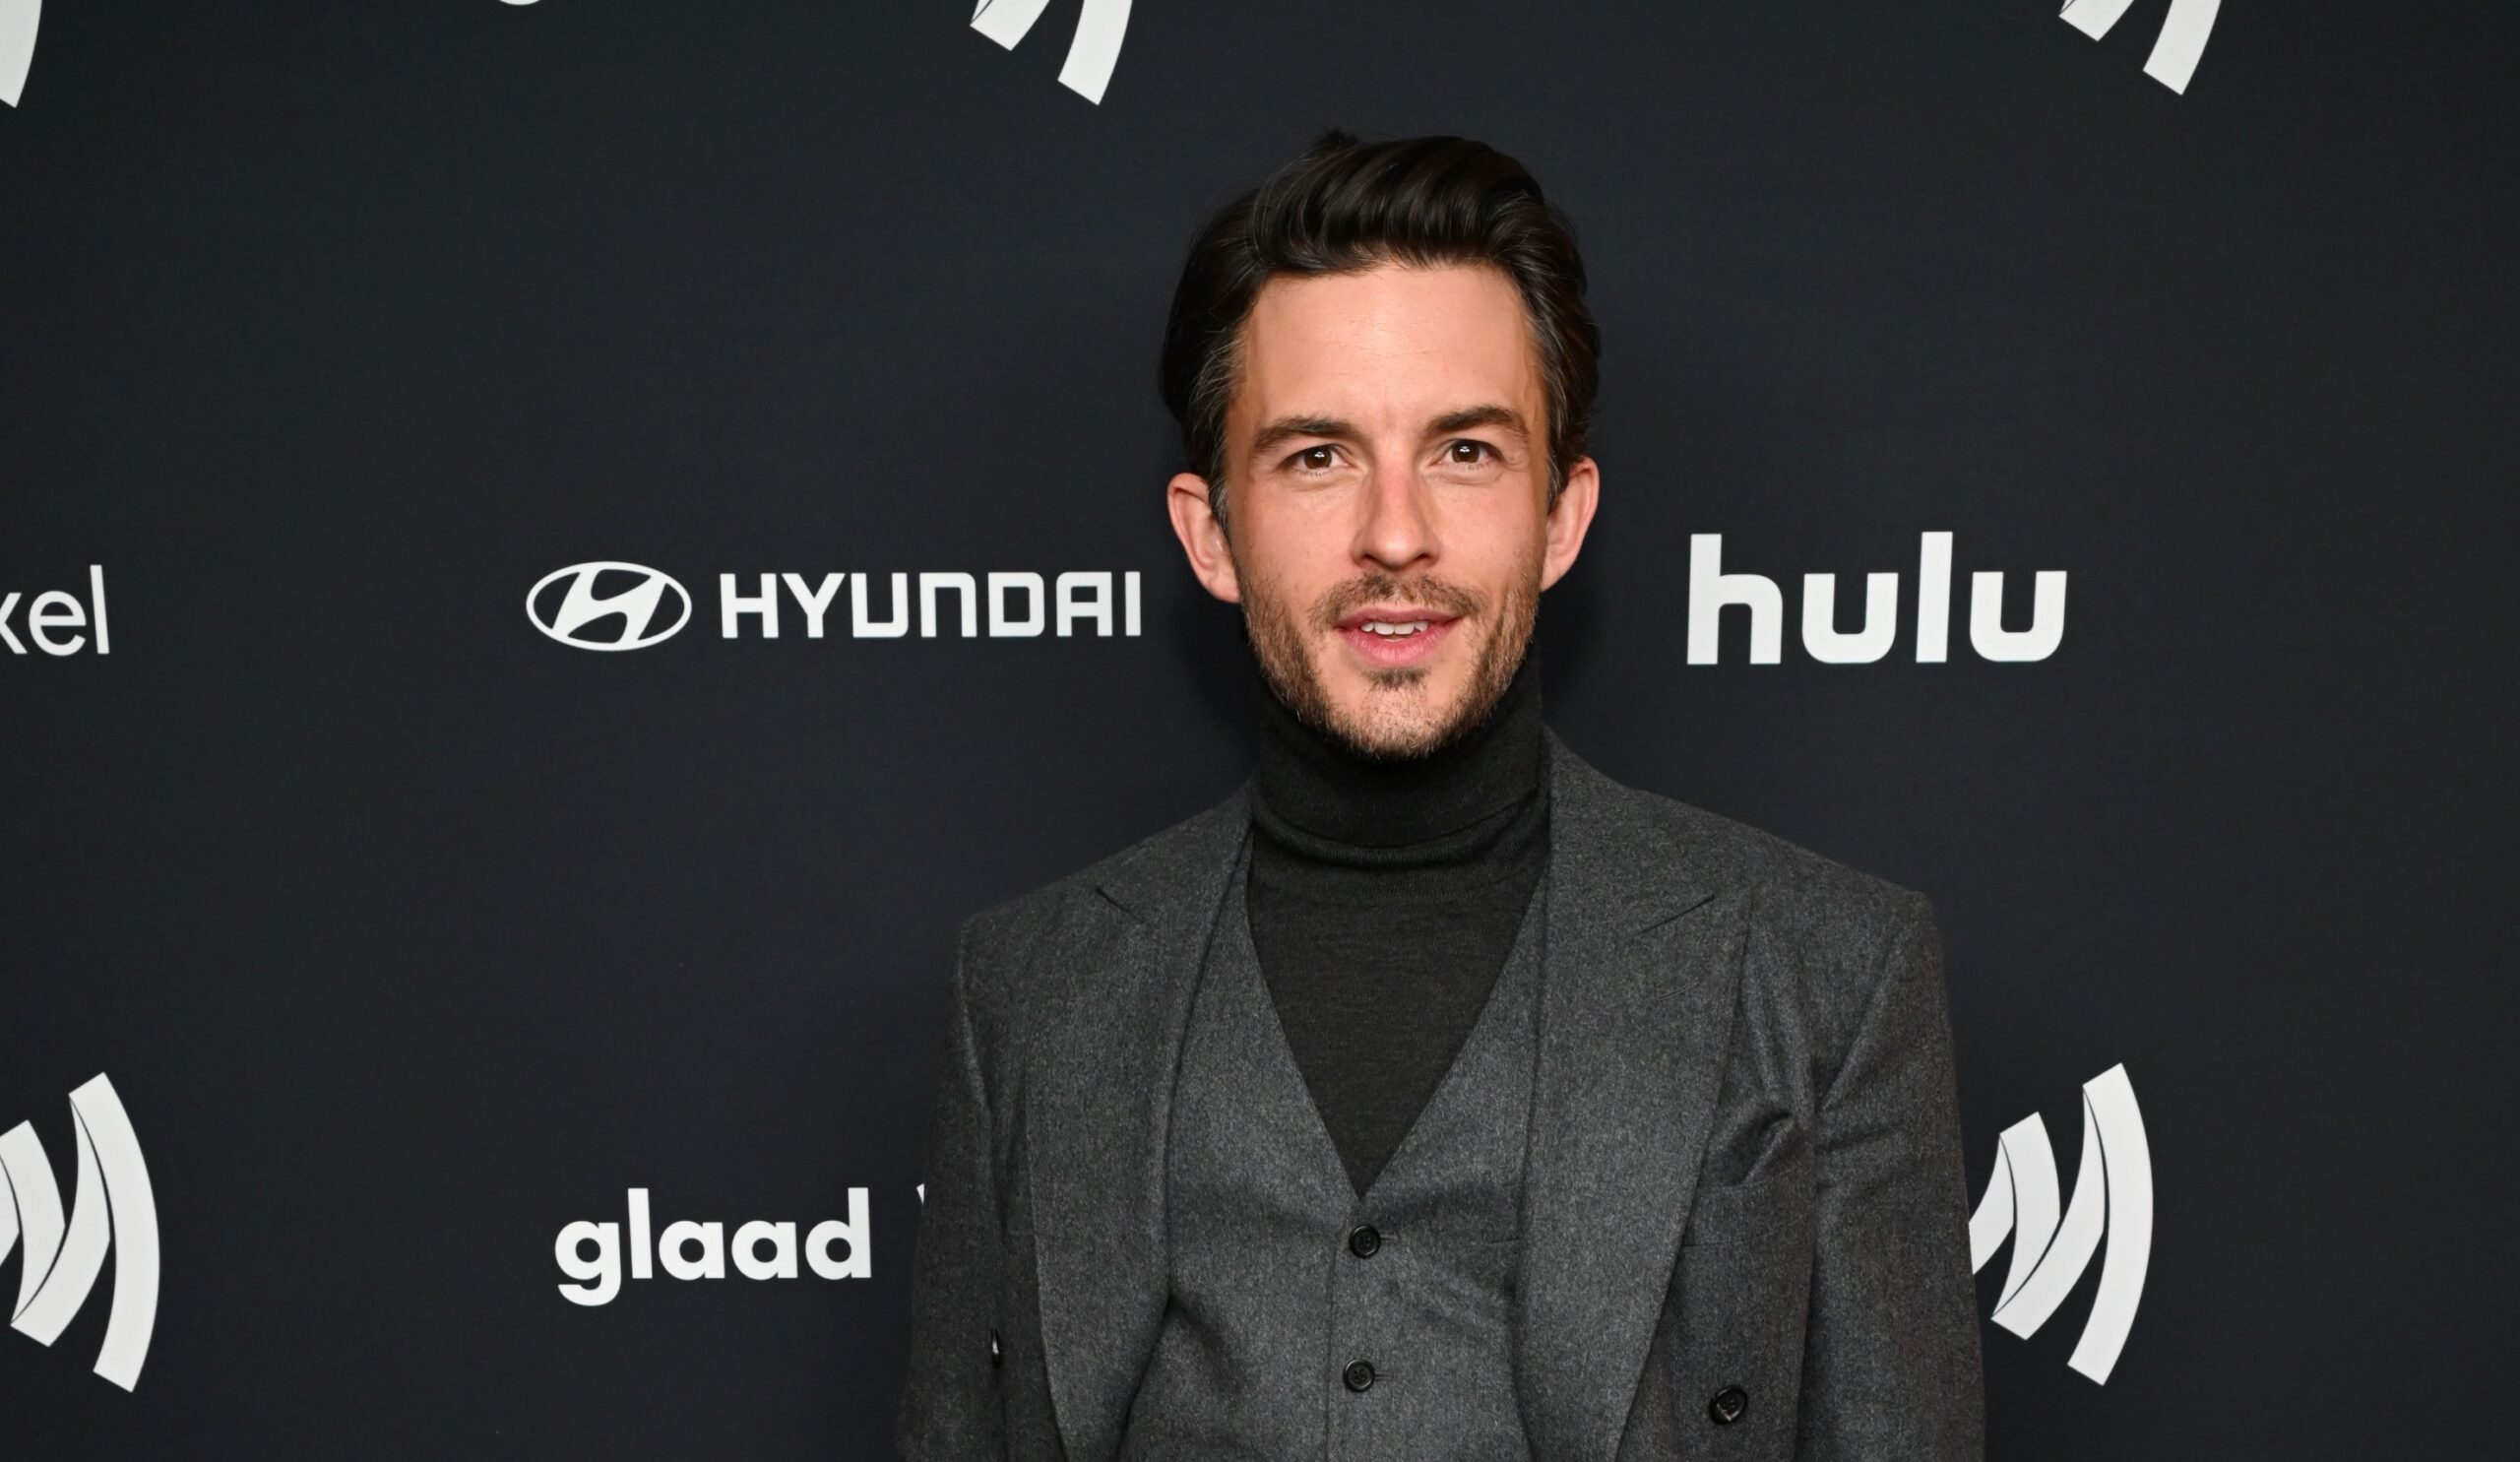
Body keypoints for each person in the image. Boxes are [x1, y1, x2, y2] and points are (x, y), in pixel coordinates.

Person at [898, 130, 1984, 1461]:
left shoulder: (1831, 975)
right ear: (1210, 531)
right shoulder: (1029, 991)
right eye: (1317, 456)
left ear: (1561, 514)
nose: (1395, 533)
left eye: (1465, 451)